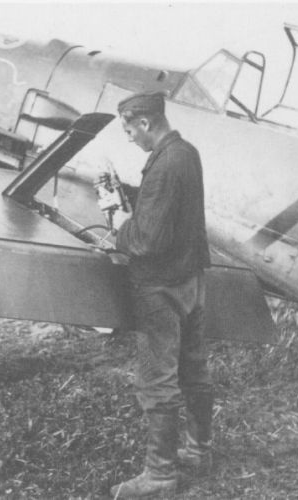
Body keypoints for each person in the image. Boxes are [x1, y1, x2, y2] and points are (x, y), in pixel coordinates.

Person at [104, 91, 214, 498]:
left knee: (158, 380)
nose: (129, 137)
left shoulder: (165, 164)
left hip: (160, 288)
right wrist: (137, 200)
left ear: (145, 123)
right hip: (191, 281)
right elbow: (173, 211)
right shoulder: (186, 153)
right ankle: (199, 451)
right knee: (194, 370)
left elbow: (147, 239)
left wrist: (121, 223)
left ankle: (161, 477)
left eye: (129, 130)